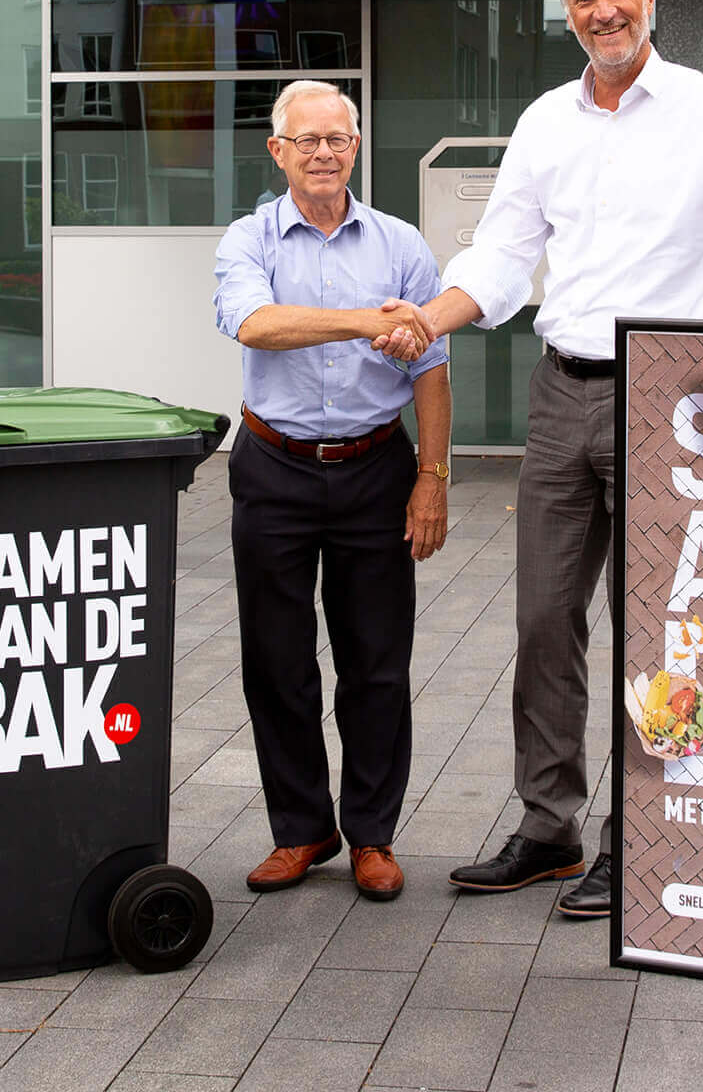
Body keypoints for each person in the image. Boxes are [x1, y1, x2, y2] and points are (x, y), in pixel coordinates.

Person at [373, 0, 703, 918]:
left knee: (661, 631)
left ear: (650, 0)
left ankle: (646, 838)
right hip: (560, 393)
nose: (603, 12)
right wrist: (426, 321)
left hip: (668, 398)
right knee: (545, 620)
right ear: (567, 11)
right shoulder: (546, 121)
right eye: (584, 0)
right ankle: (549, 827)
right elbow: (499, 261)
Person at [212, 79, 453, 902]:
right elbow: (256, 324)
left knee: (376, 664)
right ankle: (302, 829)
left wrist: (432, 477)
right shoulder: (249, 240)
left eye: (338, 139)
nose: (323, 153)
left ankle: (373, 835)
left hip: (375, 470)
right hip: (273, 468)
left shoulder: (400, 244)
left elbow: (429, 369)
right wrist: (363, 320)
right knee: (277, 663)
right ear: (276, 151)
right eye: (306, 140)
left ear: (356, 147)